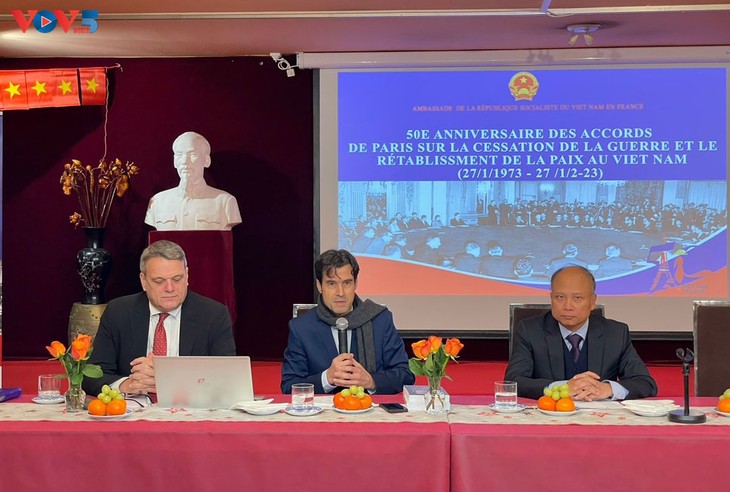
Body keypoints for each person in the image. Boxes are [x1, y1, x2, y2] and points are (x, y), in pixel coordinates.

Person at [83, 240, 236, 396]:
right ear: (143, 281)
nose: (170, 288)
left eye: (177, 279)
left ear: (187, 276)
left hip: (191, 408)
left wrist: (167, 374)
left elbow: (228, 377)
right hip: (134, 410)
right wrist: (127, 384)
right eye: (159, 281)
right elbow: (92, 374)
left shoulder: (213, 315)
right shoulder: (118, 312)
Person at [505, 266, 657, 401]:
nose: (568, 306)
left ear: (592, 301)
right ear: (551, 298)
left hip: (600, 420)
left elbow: (645, 383)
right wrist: (562, 388)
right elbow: (513, 381)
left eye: (577, 298)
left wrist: (607, 389)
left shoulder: (615, 333)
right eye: (560, 297)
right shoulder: (530, 330)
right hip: (551, 415)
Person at [281, 249, 414, 394]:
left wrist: (370, 381)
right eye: (332, 284)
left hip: (369, 412)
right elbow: (289, 386)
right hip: (324, 414)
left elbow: (405, 375)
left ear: (356, 283)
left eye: (347, 283)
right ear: (319, 286)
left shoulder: (380, 320)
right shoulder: (301, 328)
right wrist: (327, 378)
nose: (340, 292)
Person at [145, 131, 242, 231]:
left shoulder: (225, 202)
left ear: (206, 160)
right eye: (179, 155)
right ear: (174, 161)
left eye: (192, 154)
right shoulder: (157, 202)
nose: (184, 161)